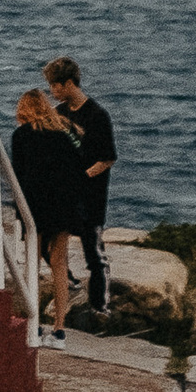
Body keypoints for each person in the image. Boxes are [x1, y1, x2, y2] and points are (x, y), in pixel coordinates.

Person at [8, 87, 89, 345]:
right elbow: (80, 168)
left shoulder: (21, 135)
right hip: (65, 205)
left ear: (24, 110)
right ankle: (59, 330)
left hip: (36, 204)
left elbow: (18, 176)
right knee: (59, 264)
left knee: (33, 262)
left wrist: (18, 209)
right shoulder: (67, 132)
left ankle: (34, 327)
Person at [44, 55, 117, 319]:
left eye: (54, 86)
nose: (51, 91)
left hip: (91, 197)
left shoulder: (97, 115)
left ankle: (100, 308)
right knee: (47, 246)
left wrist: (81, 177)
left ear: (67, 84)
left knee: (93, 255)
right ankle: (71, 283)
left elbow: (107, 158)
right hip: (65, 196)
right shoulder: (58, 114)